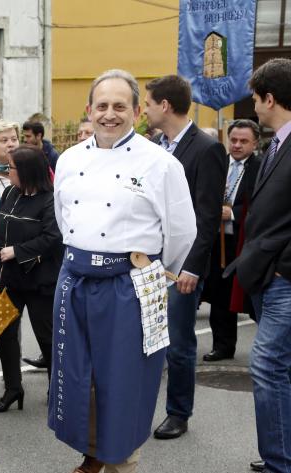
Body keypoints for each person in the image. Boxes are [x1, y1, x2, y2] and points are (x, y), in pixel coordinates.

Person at [50, 69, 195, 473]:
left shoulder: (160, 163)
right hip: (75, 278)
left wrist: (149, 274)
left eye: (119, 106)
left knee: (127, 380)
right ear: (89, 110)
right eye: (101, 105)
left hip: (133, 282)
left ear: (136, 111)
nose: (109, 114)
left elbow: (182, 233)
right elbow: (62, 218)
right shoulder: (71, 159)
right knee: (78, 373)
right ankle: (93, 450)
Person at [143, 75, 227, 440]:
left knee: (177, 343)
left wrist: (192, 266)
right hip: (148, 262)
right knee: (148, 339)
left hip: (182, 268)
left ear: (165, 105)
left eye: (147, 103)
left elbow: (207, 216)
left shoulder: (206, 149)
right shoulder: (154, 146)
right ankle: (142, 405)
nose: (143, 110)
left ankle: (178, 411)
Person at [228, 58, 291, 473]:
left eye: (255, 97)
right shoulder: (277, 143)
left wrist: (283, 266)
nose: (253, 104)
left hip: (285, 276)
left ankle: (280, 468)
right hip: (270, 272)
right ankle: (282, 452)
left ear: (270, 99)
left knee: (267, 366)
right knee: (279, 368)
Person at [0, 145, 62, 412]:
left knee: (47, 337)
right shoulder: (10, 192)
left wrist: (17, 251)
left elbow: (53, 238)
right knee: (5, 335)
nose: (8, 172)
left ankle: (58, 389)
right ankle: (13, 389)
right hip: (9, 279)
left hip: (40, 281)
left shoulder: (50, 200)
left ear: (27, 171)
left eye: (12, 168)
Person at [201, 119, 261, 362]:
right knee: (219, 295)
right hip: (217, 241)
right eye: (233, 140)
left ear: (255, 143)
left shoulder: (260, 166)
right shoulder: (218, 163)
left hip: (244, 241)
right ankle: (223, 346)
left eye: (243, 141)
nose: (237, 145)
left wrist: (233, 213)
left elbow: (261, 204)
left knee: (253, 297)